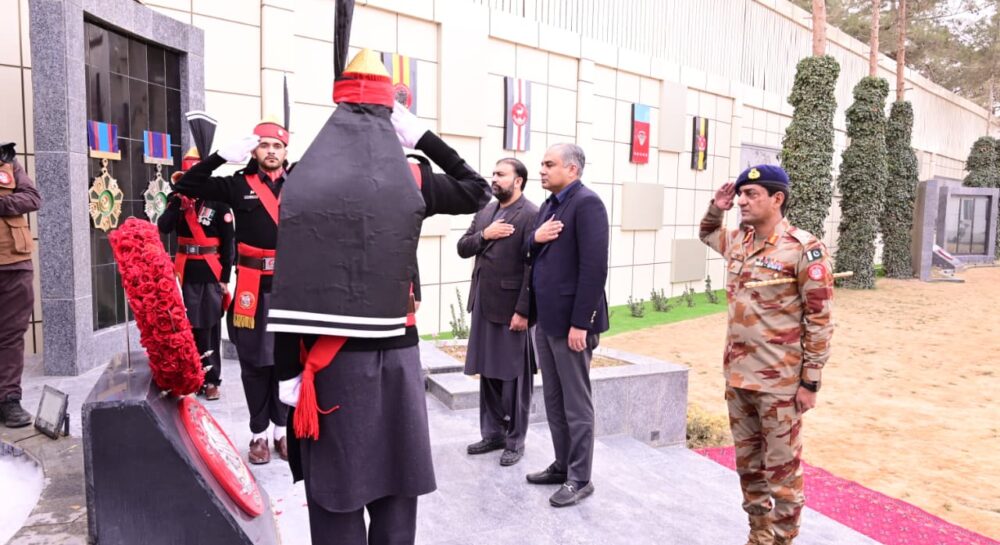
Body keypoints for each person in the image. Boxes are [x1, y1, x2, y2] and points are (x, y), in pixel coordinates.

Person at [270, 49, 490, 545]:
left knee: (337, 495)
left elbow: (291, 279)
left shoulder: (302, 174)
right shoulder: (413, 177)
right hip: (397, 359)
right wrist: (423, 136)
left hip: (330, 365)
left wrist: (287, 372)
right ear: (392, 116)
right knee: (395, 490)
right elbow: (477, 190)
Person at [699, 165, 834, 545]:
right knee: (749, 468)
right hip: (738, 377)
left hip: (780, 383)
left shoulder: (803, 248)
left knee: (783, 473)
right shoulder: (739, 240)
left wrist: (810, 381)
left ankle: (783, 539)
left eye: (750, 194)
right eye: (739, 194)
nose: (741, 200)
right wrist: (716, 206)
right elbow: (707, 232)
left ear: (777, 199)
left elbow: (820, 319)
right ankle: (759, 535)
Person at [173, 119, 292, 465]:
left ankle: (282, 430)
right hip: (252, 291)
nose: (271, 151)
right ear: (254, 150)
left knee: (285, 362)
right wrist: (221, 156)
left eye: (277, 145)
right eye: (264, 144)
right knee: (254, 364)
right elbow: (188, 186)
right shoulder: (238, 186)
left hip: (289, 288)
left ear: (286, 151)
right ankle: (258, 434)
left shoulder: (300, 181)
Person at [523, 143, 609, 508]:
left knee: (576, 403)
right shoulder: (549, 206)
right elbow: (530, 253)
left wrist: (581, 324)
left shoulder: (587, 204)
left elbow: (594, 268)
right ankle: (562, 465)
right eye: (541, 164)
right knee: (555, 400)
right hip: (547, 320)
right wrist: (533, 238)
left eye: (549, 164)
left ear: (572, 170)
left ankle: (580, 477)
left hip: (573, 325)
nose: (541, 170)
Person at [458, 157, 539, 467]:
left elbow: (532, 267)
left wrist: (524, 311)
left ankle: (515, 441)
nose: (494, 179)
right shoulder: (485, 211)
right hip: (482, 303)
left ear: (518, 181)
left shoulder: (532, 214)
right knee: (488, 372)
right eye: (493, 173)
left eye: (501, 174)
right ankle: (493, 433)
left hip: (511, 310)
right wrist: (485, 236)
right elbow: (463, 246)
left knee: (514, 379)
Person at [158, 147, 235, 400]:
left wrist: (224, 278)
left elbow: (228, 243)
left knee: (210, 326)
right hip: (184, 273)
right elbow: (163, 227)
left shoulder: (219, 201)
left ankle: (211, 380)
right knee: (184, 327)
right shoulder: (176, 200)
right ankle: (188, 378)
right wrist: (177, 206)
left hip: (210, 273)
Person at [0, 142, 40, 428]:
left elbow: (32, 198)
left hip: (14, 264)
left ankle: (9, 400)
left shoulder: (8, 164)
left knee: (12, 336)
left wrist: (2, 204)